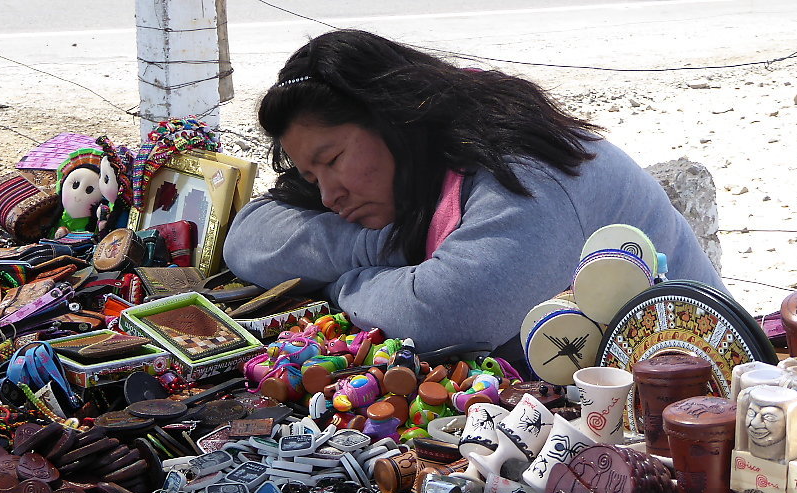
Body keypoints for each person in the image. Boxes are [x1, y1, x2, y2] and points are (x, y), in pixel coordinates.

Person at [223, 29, 725, 361]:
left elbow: (452, 315)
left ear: (391, 117)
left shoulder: (521, 164)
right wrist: (382, 248)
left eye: (332, 160)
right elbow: (247, 240)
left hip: (689, 401)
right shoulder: (410, 174)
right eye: (312, 177)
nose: (329, 194)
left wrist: (340, 284)